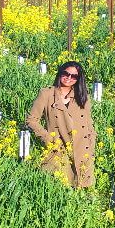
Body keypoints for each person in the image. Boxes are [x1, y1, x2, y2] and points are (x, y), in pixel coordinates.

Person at [26, 60, 96, 188]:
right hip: (58, 147)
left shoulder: (82, 97)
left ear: (78, 79)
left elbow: (89, 125)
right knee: (57, 186)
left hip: (81, 149)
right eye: (66, 73)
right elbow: (31, 120)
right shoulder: (46, 94)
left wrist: (91, 146)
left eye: (74, 76)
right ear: (60, 73)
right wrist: (48, 139)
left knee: (81, 190)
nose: (69, 78)